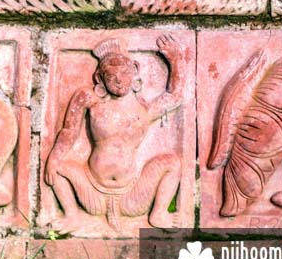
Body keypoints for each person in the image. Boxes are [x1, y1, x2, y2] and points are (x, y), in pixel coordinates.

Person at [45, 35, 183, 232]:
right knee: (57, 166)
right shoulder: (90, 101)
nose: (119, 81)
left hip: (134, 195)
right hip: (92, 192)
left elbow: (173, 96)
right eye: (111, 77)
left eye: (125, 74)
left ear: (135, 72)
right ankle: (71, 215)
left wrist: (176, 59)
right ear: (99, 78)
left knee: (172, 163)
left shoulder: (144, 111)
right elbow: (69, 131)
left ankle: (159, 212)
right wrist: (55, 156)